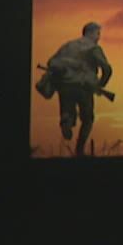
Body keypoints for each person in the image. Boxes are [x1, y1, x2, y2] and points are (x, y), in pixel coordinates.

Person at [45, 22, 113, 157]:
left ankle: (66, 120)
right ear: (90, 33)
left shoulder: (68, 45)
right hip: (84, 87)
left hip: (65, 86)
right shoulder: (94, 48)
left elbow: (51, 62)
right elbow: (107, 69)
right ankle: (79, 150)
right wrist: (100, 84)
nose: (99, 37)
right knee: (88, 119)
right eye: (98, 33)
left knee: (67, 111)